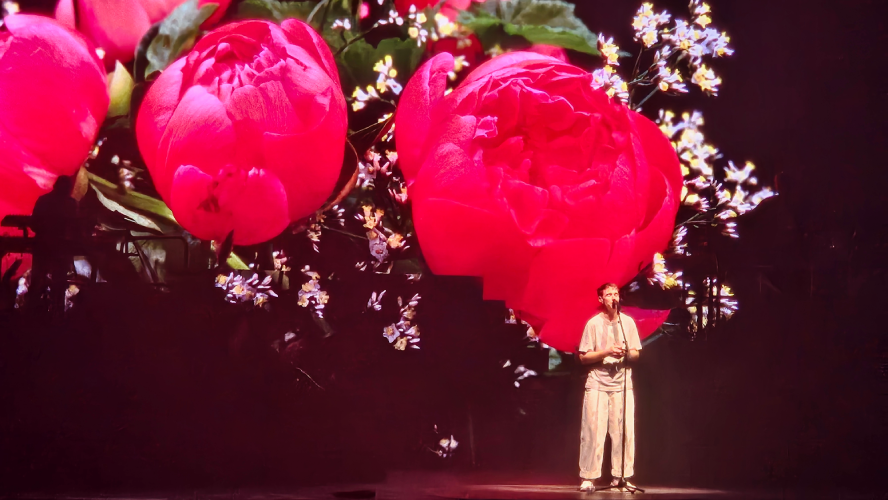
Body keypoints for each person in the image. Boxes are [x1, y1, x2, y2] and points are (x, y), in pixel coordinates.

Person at [577, 282, 642, 493]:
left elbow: (636, 354)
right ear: (601, 299)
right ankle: (588, 477)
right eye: (609, 294)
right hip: (597, 381)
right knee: (593, 430)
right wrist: (606, 352)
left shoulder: (628, 323)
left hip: (622, 382)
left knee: (623, 431)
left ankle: (621, 476)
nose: (613, 297)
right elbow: (584, 357)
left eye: (616, 293)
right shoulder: (593, 324)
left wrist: (625, 353)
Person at [28, 175, 78, 314]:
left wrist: (45, 230)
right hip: (60, 246)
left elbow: (33, 225)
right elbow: (75, 226)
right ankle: (58, 311)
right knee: (59, 280)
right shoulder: (70, 203)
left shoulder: (44, 201)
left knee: (38, 278)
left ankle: (31, 311)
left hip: (44, 244)